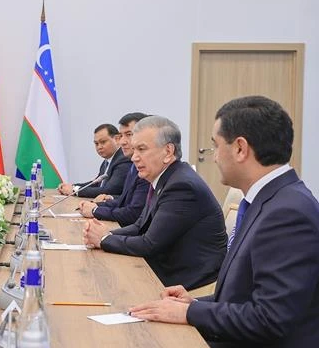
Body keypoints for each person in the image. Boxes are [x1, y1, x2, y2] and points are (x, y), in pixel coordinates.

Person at [129, 96, 319, 348]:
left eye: (216, 145)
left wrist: (190, 313)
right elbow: (249, 297)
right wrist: (194, 303)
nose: (214, 156)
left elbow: (270, 318)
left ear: (240, 148)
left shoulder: (288, 212)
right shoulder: (268, 200)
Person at [83, 116, 226, 290]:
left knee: (102, 285)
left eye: (141, 149)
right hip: (167, 273)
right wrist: (107, 234)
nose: (134, 157)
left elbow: (150, 244)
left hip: (189, 287)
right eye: (134, 150)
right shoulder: (167, 178)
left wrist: (104, 239)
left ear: (168, 152)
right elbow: (139, 226)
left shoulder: (181, 186)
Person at [77, 112, 149, 227]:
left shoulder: (142, 168)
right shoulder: (133, 166)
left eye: (129, 134)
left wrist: (95, 210)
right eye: (121, 136)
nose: (122, 142)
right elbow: (125, 201)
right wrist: (98, 205)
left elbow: (133, 213)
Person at [57, 124, 130, 198]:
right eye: (96, 143)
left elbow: (109, 190)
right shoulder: (107, 161)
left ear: (117, 139)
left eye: (103, 142)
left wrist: (75, 190)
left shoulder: (123, 160)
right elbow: (96, 183)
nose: (99, 147)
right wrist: (73, 186)